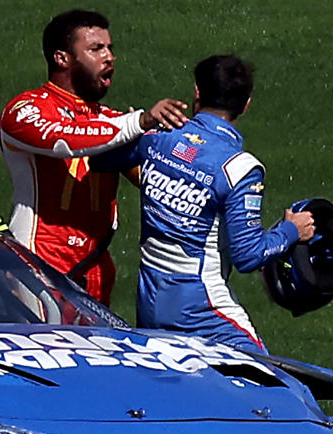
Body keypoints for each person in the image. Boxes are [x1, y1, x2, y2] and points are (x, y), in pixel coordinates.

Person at [92, 55, 314, 352]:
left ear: (197, 92)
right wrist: (291, 230)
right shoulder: (239, 168)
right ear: (246, 104)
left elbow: (99, 157)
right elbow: (248, 255)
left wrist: (133, 127)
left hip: (150, 302)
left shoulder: (157, 137)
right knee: (270, 384)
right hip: (202, 309)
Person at [0, 9, 187, 306]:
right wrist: (140, 121)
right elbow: (64, 139)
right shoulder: (25, 109)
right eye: (96, 49)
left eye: (110, 48)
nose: (109, 57)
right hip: (37, 266)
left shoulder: (113, 122)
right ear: (62, 58)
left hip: (95, 270)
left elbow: (155, 179)